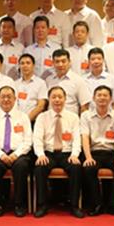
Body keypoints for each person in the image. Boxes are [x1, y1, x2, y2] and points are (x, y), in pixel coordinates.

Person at [32, 86, 83, 218]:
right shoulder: (42, 117)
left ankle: (74, 205)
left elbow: (77, 139)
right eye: (54, 97)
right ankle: (42, 205)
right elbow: (37, 138)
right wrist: (40, 155)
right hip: (48, 153)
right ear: (49, 99)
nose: (57, 100)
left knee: (76, 167)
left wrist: (75, 155)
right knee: (40, 167)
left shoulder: (73, 117)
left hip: (67, 153)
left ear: (65, 99)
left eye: (60, 97)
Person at [0, 86, 33, 217]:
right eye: (3, 97)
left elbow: (28, 141)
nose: (6, 99)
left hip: (19, 153)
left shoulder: (23, 117)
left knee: (21, 166)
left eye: (9, 97)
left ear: (15, 99)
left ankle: (19, 204)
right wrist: (1, 154)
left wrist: (16, 154)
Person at [80, 85, 114, 217]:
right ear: (93, 98)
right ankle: (97, 204)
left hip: (111, 152)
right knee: (88, 168)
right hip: (94, 152)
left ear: (111, 99)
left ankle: (113, 205)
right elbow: (85, 137)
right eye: (99, 95)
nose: (102, 98)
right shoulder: (86, 116)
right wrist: (88, 157)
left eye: (105, 95)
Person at [46, 49, 91, 115]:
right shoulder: (48, 80)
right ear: (53, 63)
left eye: (63, 61)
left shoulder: (78, 80)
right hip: (51, 119)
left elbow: (84, 105)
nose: (60, 64)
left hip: (71, 120)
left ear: (69, 62)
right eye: (57, 62)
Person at [23, 15, 60, 80]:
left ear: (48, 30)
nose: (40, 30)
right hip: (34, 84)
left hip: (52, 82)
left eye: (43, 27)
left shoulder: (57, 48)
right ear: (34, 30)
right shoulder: (28, 50)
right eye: (37, 28)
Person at [14, 54, 47, 123]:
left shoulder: (41, 83)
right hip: (16, 121)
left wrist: (26, 121)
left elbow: (41, 106)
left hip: (33, 121)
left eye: (28, 63)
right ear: (19, 66)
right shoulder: (15, 83)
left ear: (33, 65)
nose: (25, 66)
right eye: (22, 63)